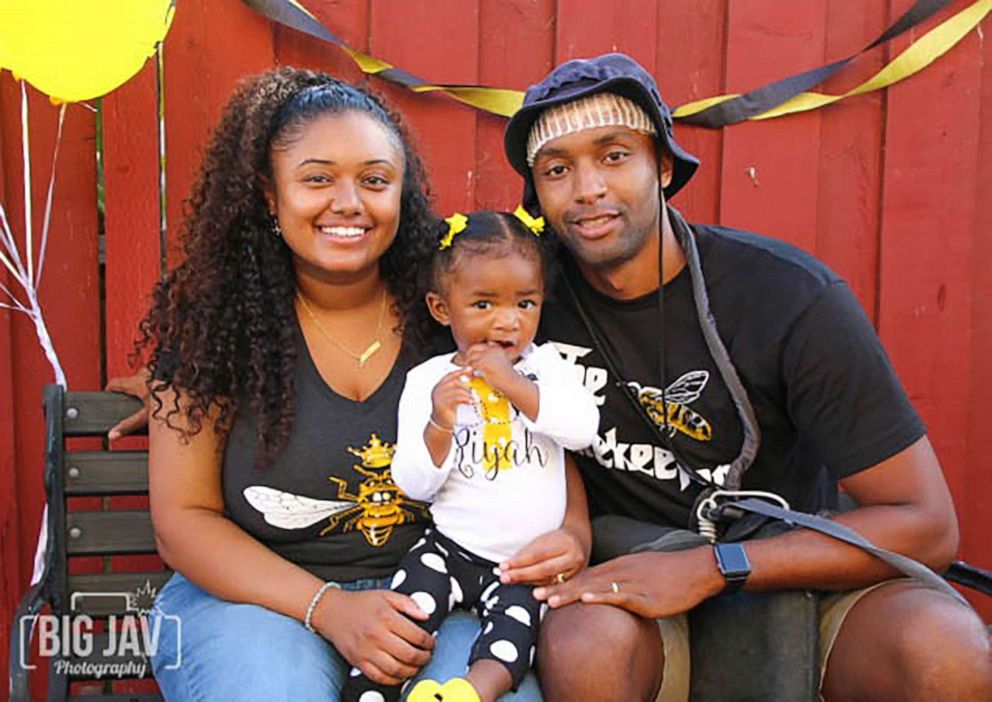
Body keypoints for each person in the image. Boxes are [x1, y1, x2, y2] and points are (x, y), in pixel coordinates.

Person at [497, 53, 992, 701]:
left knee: (945, 653)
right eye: (557, 169)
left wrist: (715, 567)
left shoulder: (787, 297)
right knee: (585, 641)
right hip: (633, 577)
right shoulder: (520, 300)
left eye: (614, 155)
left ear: (664, 166)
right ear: (537, 195)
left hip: (789, 561)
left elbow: (926, 524)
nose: (587, 188)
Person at [139, 68, 545, 701]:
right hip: (253, 602)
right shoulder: (215, 326)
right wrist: (329, 608)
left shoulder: (452, 309)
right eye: (318, 179)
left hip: (441, 595)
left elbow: (548, 423)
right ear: (269, 196)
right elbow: (182, 520)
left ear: (402, 194)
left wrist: (572, 533)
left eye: (375, 180)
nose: (350, 202)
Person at [342, 210, 599, 702]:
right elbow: (413, 484)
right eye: (483, 304)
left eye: (525, 303)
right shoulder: (430, 381)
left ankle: (467, 693)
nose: (508, 321)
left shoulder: (548, 368)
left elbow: (583, 429)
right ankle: (371, 693)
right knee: (406, 618)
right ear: (442, 308)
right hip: (448, 548)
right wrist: (439, 424)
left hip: (520, 564)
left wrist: (515, 385)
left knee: (514, 636)